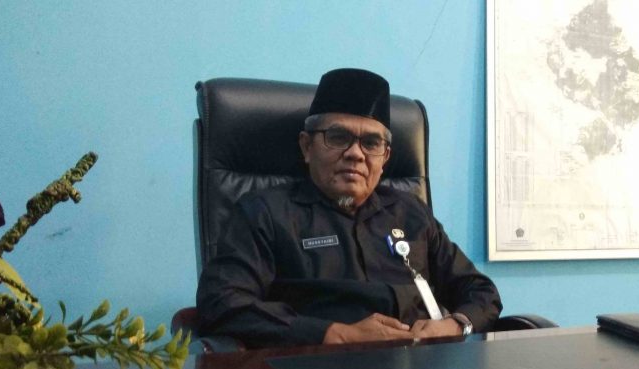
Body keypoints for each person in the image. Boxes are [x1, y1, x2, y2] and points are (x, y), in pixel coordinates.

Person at [196, 68, 502, 347]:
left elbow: (481, 292)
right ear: (306, 146)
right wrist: (336, 334)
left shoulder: (412, 213)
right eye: (338, 137)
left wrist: (454, 325)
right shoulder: (264, 213)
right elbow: (222, 302)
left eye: (371, 143)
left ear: (385, 157)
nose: (355, 153)